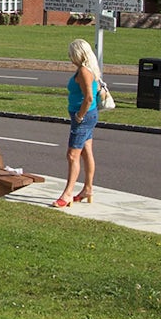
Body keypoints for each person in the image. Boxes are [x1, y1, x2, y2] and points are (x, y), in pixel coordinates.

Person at [54, 38, 101, 208]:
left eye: (71, 54)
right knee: (87, 151)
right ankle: (88, 188)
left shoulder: (83, 71)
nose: (70, 57)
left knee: (72, 155)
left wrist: (80, 116)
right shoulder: (89, 70)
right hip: (89, 115)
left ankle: (67, 194)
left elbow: (88, 97)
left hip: (83, 117)